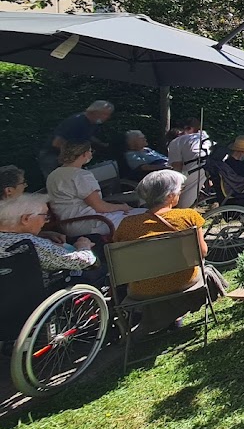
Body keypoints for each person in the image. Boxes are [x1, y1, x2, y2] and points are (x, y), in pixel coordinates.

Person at [113, 170, 227, 333]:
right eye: (178, 190)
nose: (179, 193)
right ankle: (175, 314)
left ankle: (164, 317)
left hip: (143, 290)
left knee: (155, 275)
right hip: (184, 282)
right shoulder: (188, 216)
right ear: (169, 196)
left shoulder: (127, 224)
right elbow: (202, 252)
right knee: (200, 271)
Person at [47, 141, 140, 237]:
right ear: (85, 153)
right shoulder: (81, 175)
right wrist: (122, 207)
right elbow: (100, 207)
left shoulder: (53, 175)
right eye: (90, 151)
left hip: (68, 224)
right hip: (91, 223)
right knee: (142, 216)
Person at [0, 193, 98, 275]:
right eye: (45, 216)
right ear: (26, 219)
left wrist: (43, 235)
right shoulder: (30, 243)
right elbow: (82, 261)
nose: (45, 222)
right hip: (49, 288)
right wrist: (84, 246)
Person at [38, 100, 114, 177]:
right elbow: (57, 143)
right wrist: (72, 158)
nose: (107, 117)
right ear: (95, 112)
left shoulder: (92, 124)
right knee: (59, 183)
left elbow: (88, 138)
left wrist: (103, 146)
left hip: (65, 157)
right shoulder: (76, 121)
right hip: (52, 156)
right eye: (105, 114)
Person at [168, 119, 214, 208]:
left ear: (187, 128)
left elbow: (177, 166)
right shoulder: (205, 137)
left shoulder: (176, 141)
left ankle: (180, 211)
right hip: (217, 164)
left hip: (198, 165)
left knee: (184, 188)